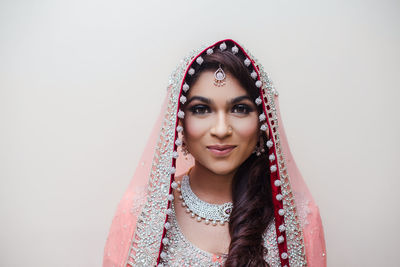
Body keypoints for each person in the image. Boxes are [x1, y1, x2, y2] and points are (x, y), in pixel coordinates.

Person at [103, 39, 326, 267]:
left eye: (240, 109)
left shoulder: (298, 218)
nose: (221, 130)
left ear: (262, 122)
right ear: (179, 121)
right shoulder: (140, 213)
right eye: (201, 109)